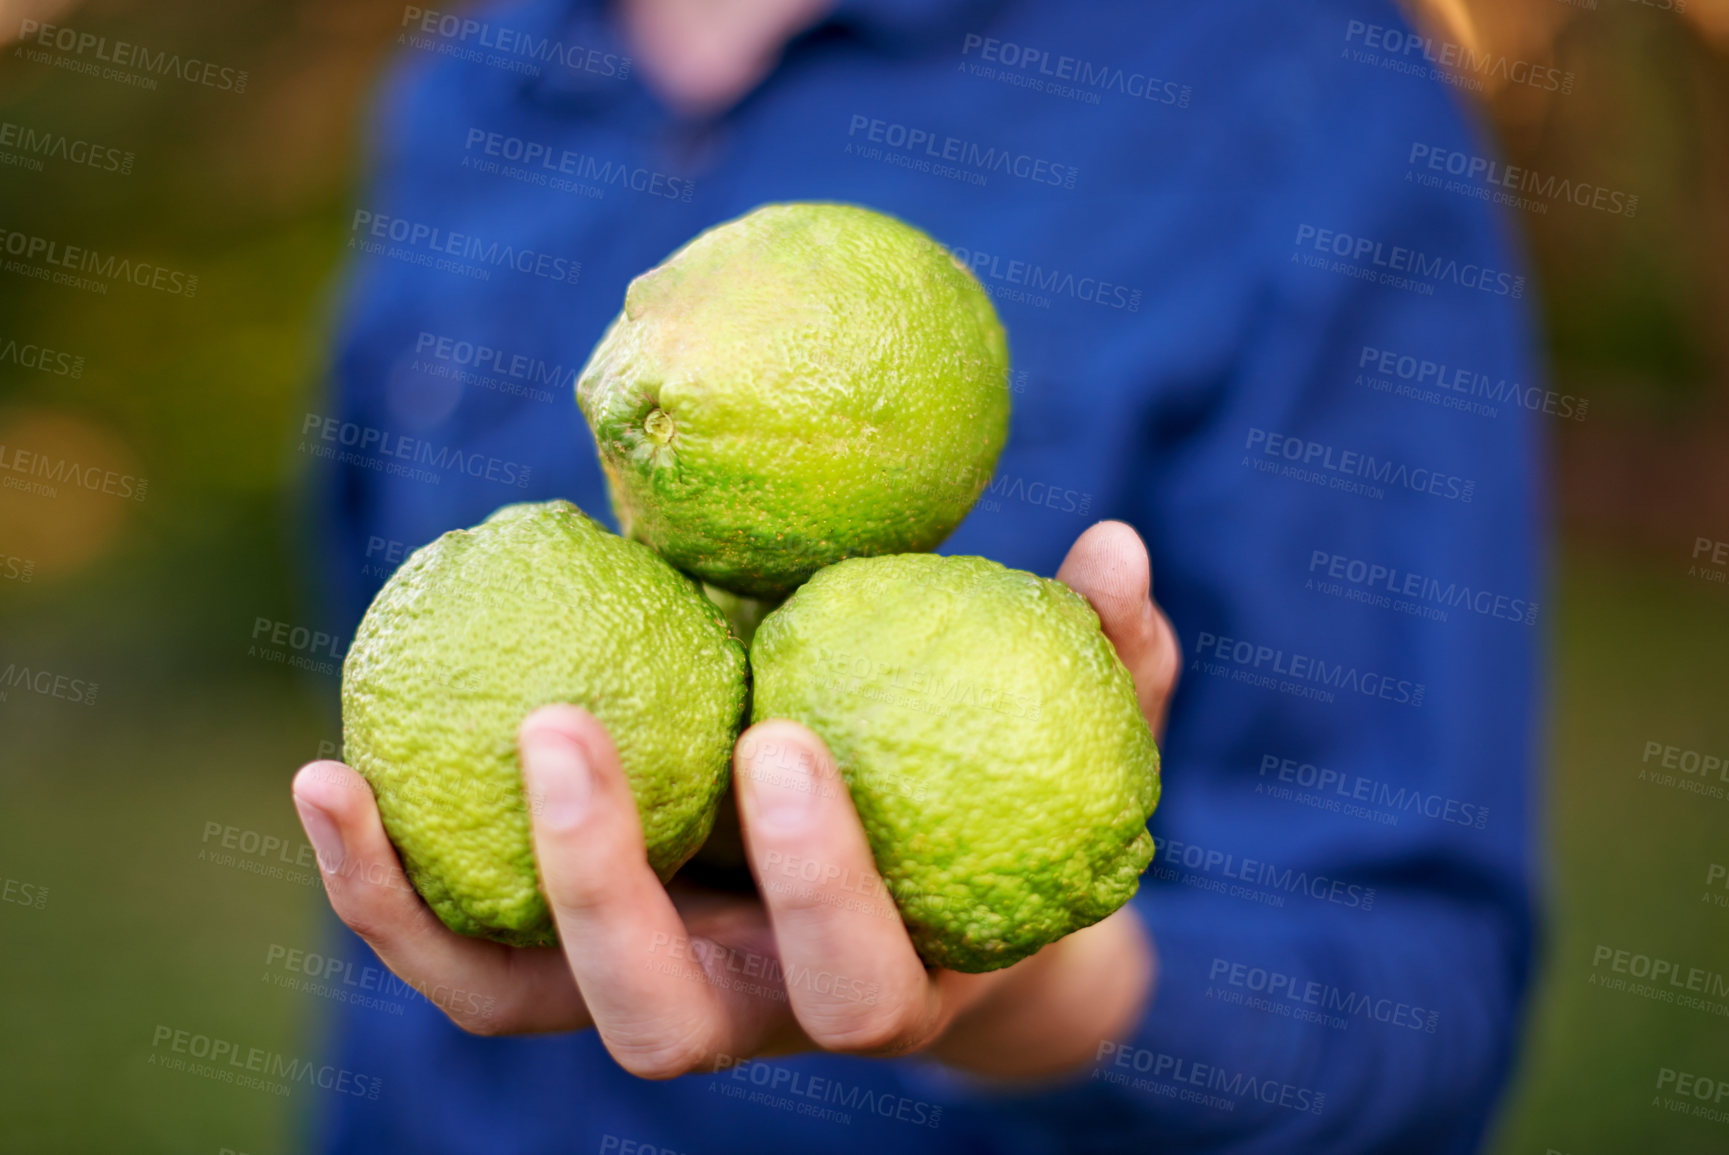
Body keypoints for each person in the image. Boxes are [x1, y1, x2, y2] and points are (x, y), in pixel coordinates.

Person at [292, 0, 1543, 1150]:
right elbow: (382, 665)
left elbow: (1423, 993)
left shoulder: (1296, 79)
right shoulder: (472, 78)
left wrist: (1045, 1002)